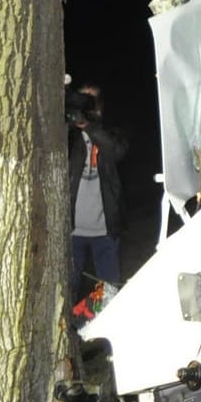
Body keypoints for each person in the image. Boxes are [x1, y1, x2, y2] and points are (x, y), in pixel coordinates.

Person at [67, 82, 129, 309]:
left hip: (106, 230)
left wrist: (89, 126)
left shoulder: (111, 130)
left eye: (90, 101)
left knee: (109, 293)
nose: (85, 105)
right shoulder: (68, 135)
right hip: (72, 231)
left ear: (100, 106)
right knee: (68, 289)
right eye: (81, 99)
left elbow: (116, 151)